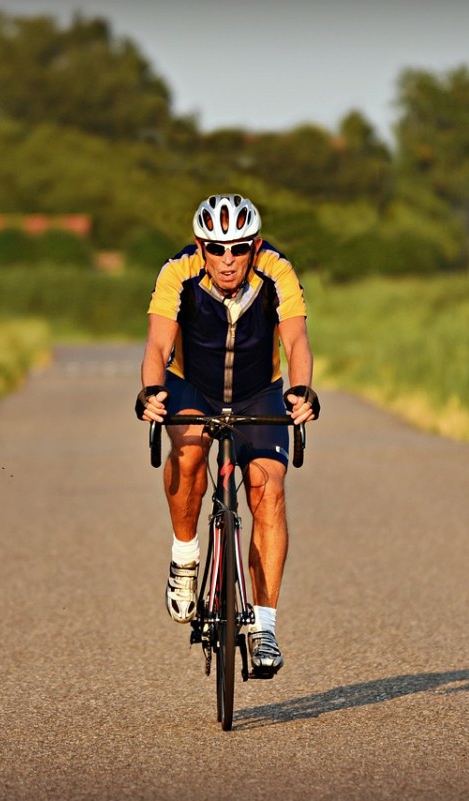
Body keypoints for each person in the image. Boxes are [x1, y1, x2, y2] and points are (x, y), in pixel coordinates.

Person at [136, 194, 319, 678]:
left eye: (239, 248)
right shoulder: (177, 272)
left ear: (254, 245)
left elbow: (296, 339)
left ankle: (264, 626)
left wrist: (301, 391)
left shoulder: (277, 271)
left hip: (258, 392)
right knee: (191, 446)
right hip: (192, 385)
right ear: (201, 246)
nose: (228, 259)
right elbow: (157, 343)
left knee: (268, 490)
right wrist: (152, 391)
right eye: (216, 248)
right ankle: (184, 556)